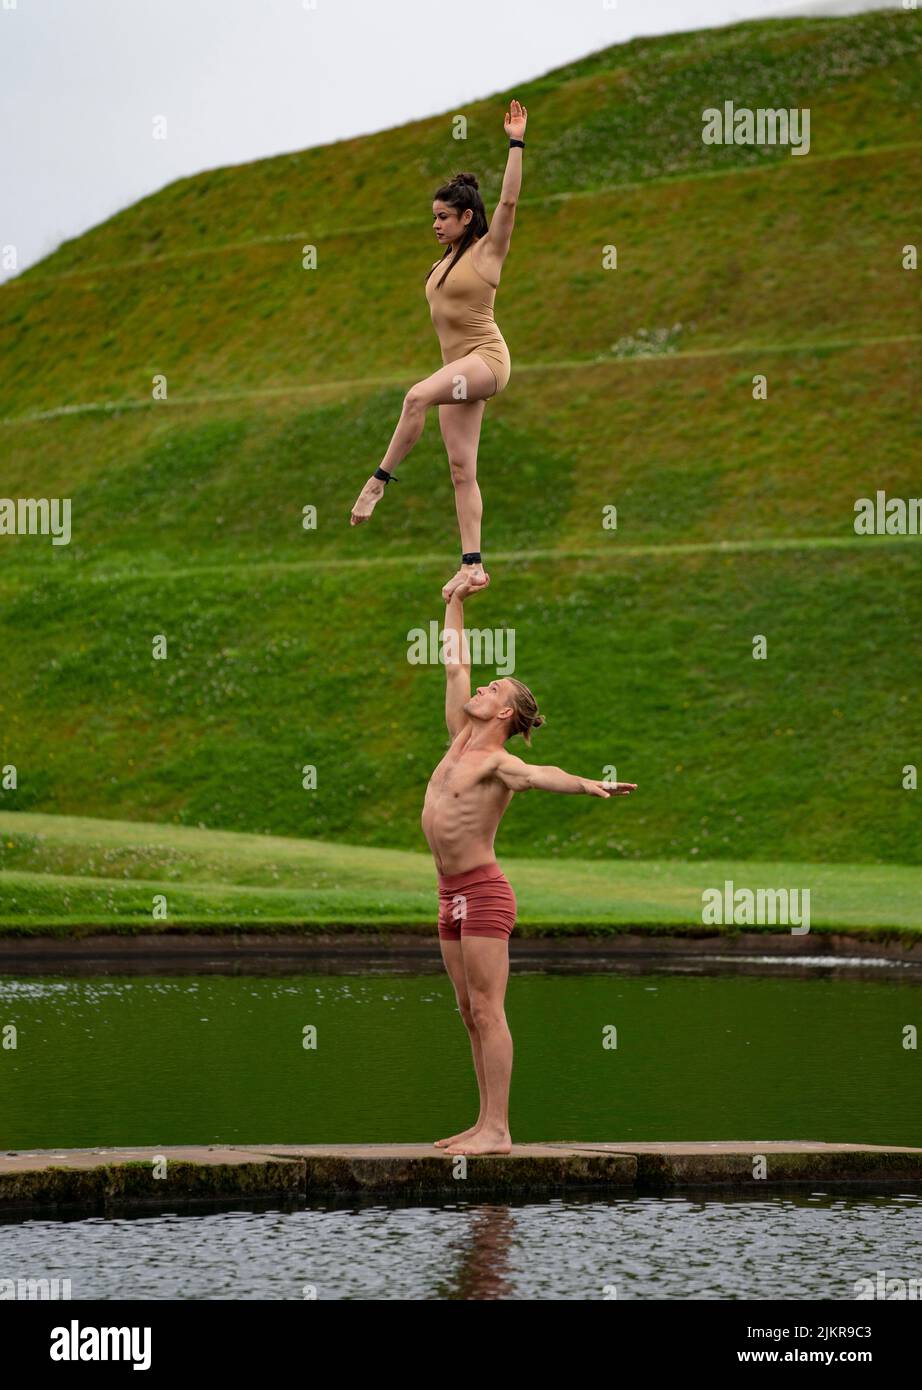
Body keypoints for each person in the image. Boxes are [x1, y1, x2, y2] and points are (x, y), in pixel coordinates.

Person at [421, 579, 637, 1155]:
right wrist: (455, 603)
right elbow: (453, 664)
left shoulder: (499, 762)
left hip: (485, 893)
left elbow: (543, 776)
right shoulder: (458, 738)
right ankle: (481, 1121)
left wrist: (587, 784)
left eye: (494, 687)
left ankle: (499, 1130)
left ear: (506, 712)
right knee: (468, 1011)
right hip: (448, 894)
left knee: (489, 1010)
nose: (482, 686)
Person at [350, 100, 528, 602]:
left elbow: (510, 204)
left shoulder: (486, 252)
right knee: (460, 470)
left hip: (487, 362)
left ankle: (379, 480)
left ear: (467, 217)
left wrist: (516, 143)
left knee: (414, 397)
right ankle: (472, 564)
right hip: (459, 371)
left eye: (444, 217)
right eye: (433, 216)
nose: (435, 224)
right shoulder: (440, 264)